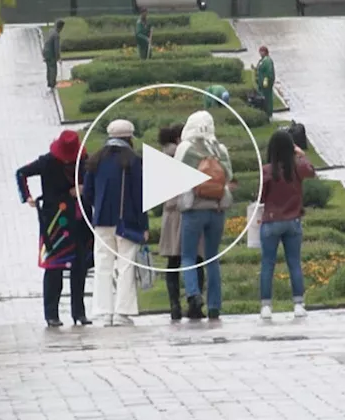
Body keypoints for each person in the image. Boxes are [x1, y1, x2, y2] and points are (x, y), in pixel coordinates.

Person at [16, 130, 92, 327]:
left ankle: (79, 313)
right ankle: (51, 314)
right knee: (54, 269)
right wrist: (27, 197)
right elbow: (21, 173)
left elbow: (93, 180)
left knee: (79, 268)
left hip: (81, 222)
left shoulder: (84, 160)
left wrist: (84, 189)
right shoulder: (47, 162)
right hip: (55, 224)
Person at [83, 119, 148, 326]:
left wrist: (99, 207)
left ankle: (104, 311)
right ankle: (122, 311)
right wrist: (144, 225)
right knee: (126, 265)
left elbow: (88, 192)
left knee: (103, 266)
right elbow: (140, 195)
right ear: (129, 137)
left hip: (101, 221)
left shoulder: (95, 159)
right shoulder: (133, 160)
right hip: (126, 222)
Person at [174, 110, 233, 321]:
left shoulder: (186, 147)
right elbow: (229, 175)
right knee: (212, 258)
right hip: (217, 209)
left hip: (194, 209)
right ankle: (215, 306)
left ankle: (194, 294)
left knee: (188, 256)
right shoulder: (221, 149)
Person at [258, 129, 316, 321]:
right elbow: (311, 171)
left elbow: (261, 197)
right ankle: (298, 304)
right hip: (293, 221)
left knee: (268, 264)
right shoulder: (297, 168)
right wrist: (301, 154)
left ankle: (266, 306)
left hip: (271, 221)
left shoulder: (267, 170)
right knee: (294, 263)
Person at [156, 124, 205, 321]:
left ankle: (174, 305)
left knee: (173, 261)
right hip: (190, 210)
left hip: (170, 213)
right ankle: (194, 303)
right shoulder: (187, 155)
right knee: (196, 259)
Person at [42, 19, 64, 89]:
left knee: (48, 68)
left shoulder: (51, 31)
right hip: (50, 53)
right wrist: (58, 58)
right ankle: (52, 84)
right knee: (53, 68)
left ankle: (49, 82)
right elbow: (56, 48)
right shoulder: (56, 35)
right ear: (61, 27)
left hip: (45, 51)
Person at [255, 45, 275, 118]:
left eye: (261, 51)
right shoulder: (262, 60)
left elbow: (269, 72)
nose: (260, 53)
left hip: (266, 84)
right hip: (261, 83)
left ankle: (269, 112)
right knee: (262, 97)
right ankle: (264, 111)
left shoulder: (268, 61)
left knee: (267, 98)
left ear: (265, 52)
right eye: (260, 51)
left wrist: (266, 80)